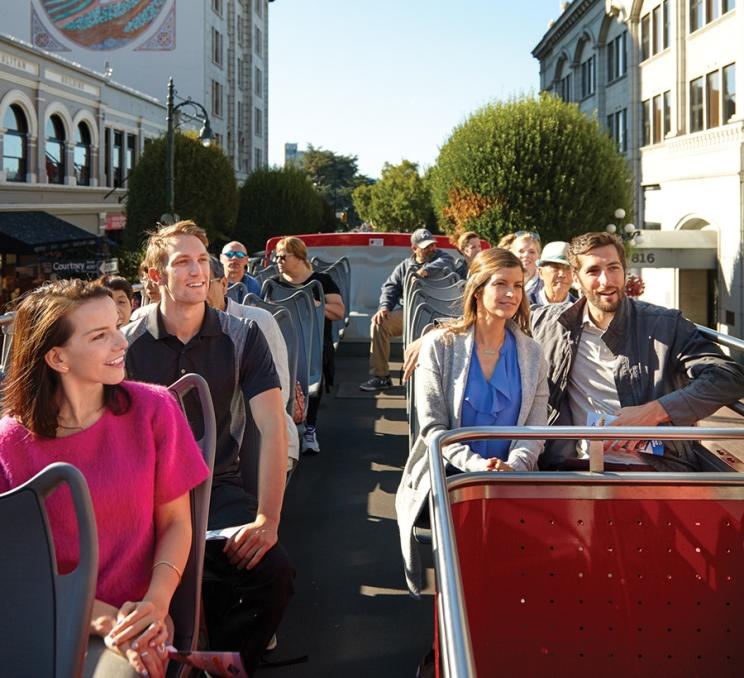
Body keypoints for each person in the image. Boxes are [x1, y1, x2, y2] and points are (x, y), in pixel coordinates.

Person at [0, 279, 209, 678]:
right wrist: (102, 618)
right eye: (100, 336)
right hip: (43, 617)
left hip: (137, 612)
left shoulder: (154, 410)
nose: (121, 343)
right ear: (58, 359)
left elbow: (178, 524)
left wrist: (156, 604)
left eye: (117, 326)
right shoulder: (9, 444)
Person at [122, 221, 294, 674]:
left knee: (274, 575)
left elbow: (273, 428)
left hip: (219, 490)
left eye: (204, 260)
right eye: (183, 262)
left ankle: (225, 662)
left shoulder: (243, 337)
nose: (199, 271)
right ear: (155, 276)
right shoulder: (127, 346)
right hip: (148, 498)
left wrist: (267, 520)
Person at [395, 247, 548, 595]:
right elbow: (433, 428)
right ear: (478, 289)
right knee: (459, 579)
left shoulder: (532, 353)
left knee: (507, 581)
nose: (511, 294)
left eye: (519, 285)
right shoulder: (441, 346)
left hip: (512, 481)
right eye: (501, 284)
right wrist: (478, 467)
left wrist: (514, 466)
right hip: (453, 480)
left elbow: (534, 429)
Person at [532, 231, 744, 471]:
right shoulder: (550, 324)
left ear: (624, 271)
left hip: (654, 469)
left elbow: (729, 376)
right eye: (593, 271)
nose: (606, 281)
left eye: (613, 268)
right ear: (576, 279)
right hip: (572, 467)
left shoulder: (664, 324)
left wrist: (656, 411)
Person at [206, 254, 300, 465]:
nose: (197, 292)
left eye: (204, 283)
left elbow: (280, 391)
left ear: (223, 285)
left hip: (257, 439)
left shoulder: (257, 321)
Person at [268, 237, 345, 454]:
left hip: (316, 343)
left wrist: (314, 305)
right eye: (276, 257)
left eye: (284, 256)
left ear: (300, 257)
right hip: (285, 342)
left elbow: (339, 311)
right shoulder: (274, 284)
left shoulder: (321, 282)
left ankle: (310, 428)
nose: (278, 261)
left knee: (314, 371)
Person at [359, 228, 455, 392]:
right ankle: (381, 376)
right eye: (426, 247)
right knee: (379, 324)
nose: (431, 249)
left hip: (438, 315)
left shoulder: (443, 258)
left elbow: (447, 263)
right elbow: (390, 288)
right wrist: (384, 308)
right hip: (409, 312)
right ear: (414, 248)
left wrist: (426, 271)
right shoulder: (404, 266)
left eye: (432, 245)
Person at [528, 240, 577, 306]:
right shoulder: (523, 306)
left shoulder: (581, 309)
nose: (562, 274)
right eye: (555, 267)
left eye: (567, 268)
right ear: (540, 272)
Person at [498, 231, 541, 298]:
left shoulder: (545, 283)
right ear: (512, 254)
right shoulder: (500, 278)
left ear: (538, 256)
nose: (526, 255)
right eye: (521, 251)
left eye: (532, 252)